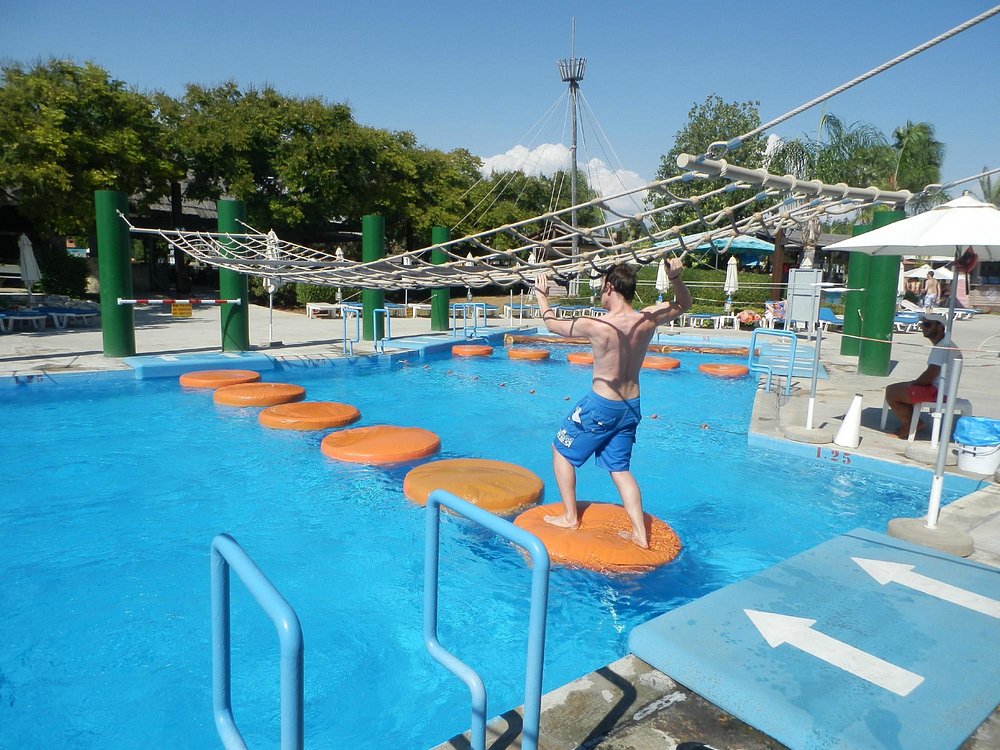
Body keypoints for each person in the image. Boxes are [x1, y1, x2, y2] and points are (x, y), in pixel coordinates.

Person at [532, 259, 691, 548]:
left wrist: (542, 296)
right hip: (631, 406)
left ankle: (570, 517)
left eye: (601, 289)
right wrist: (676, 277)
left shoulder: (598, 325)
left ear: (610, 287)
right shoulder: (647, 318)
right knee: (619, 469)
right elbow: (683, 303)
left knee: (560, 451)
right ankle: (640, 536)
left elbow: (553, 324)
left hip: (601, 405)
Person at [883, 312, 961, 439]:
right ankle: (914, 421)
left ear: (940, 327)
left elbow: (929, 375)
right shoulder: (946, 344)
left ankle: (911, 425)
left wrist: (913, 383)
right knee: (897, 388)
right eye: (922, 324)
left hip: (939, 392)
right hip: (942, 390)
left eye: (927, 324)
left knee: (892, 392)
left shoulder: (942, 347)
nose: (923, 327)